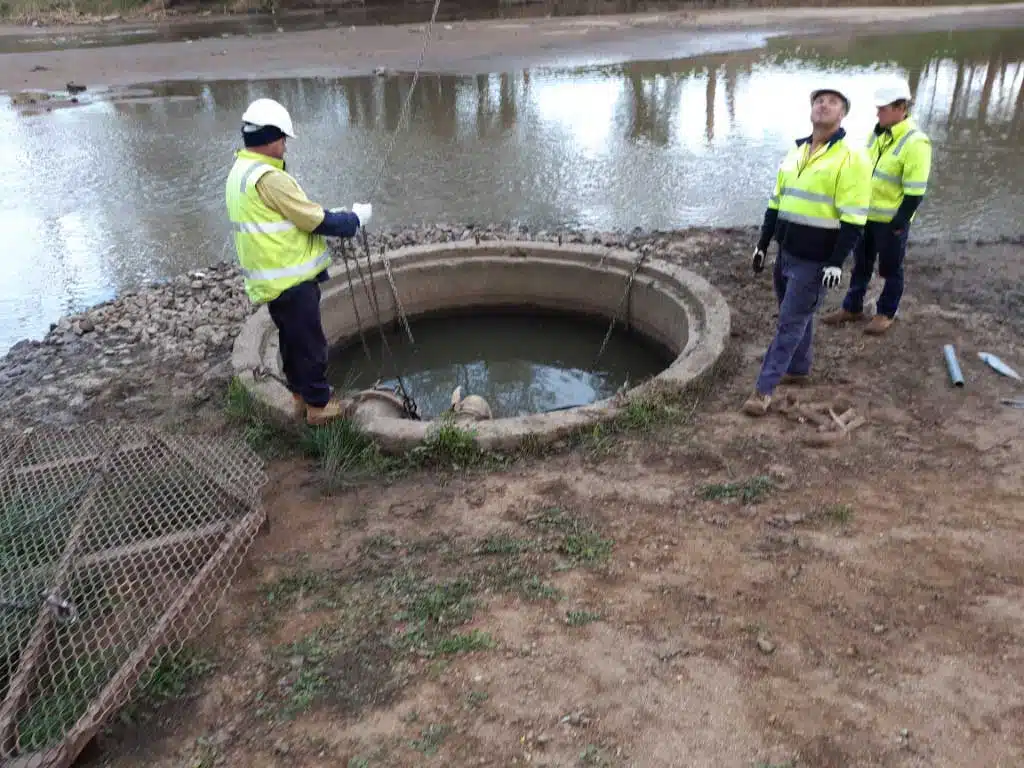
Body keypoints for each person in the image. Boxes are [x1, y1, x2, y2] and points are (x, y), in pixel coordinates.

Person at [225, 97, 373, 425]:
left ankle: (298, 396)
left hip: (271, 280)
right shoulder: (268, 177)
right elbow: (312, 219)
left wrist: (336, 216)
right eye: (282, 140)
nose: (285, 147)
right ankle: (319, 406)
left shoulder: (240, 172)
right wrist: (354, 220)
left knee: (291, 341)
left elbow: (286, 217)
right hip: (291, 279)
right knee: (310, 343)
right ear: (269, 138)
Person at [743, 84, 872, 417]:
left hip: (815, 262)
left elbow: (854, 218)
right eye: (819, 100)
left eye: (833, 102)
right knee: (797, 317)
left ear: (843, 113)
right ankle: (798, 368)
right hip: (786, 253)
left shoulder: (851, 158)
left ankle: (763, 389)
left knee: (789, 322)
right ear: (811, 109)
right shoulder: (796, 152)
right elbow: (776, 203)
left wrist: (836, 261)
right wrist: (763, 245)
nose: (823, 105)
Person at [823, 78, 932, 335]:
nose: (877, 113)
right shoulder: (878, 134)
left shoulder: (916, 143)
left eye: (883, 109)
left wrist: (900, 222)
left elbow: (915, 192)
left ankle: (886, 313)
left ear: (901, 108)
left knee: (891, 269)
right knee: (861, 264)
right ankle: (852, 307)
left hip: (891, 222)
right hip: (866, 216)